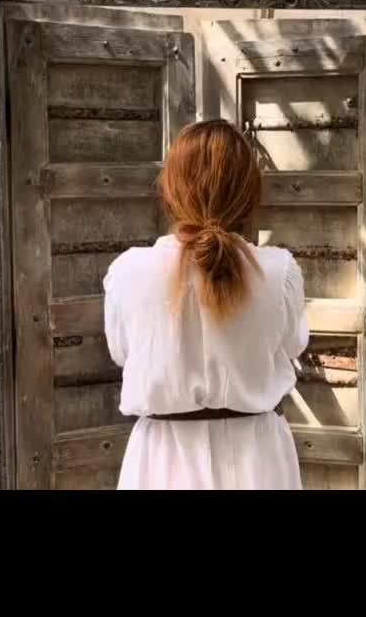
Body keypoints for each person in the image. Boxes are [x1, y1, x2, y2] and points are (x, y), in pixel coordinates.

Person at [104, 119, 309, 490]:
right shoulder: (280, 272)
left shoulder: (128, 272)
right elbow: (293, 345)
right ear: (249, 191)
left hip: (162, 462)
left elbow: (122, 353)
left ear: (170, 187)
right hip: (257, 458)